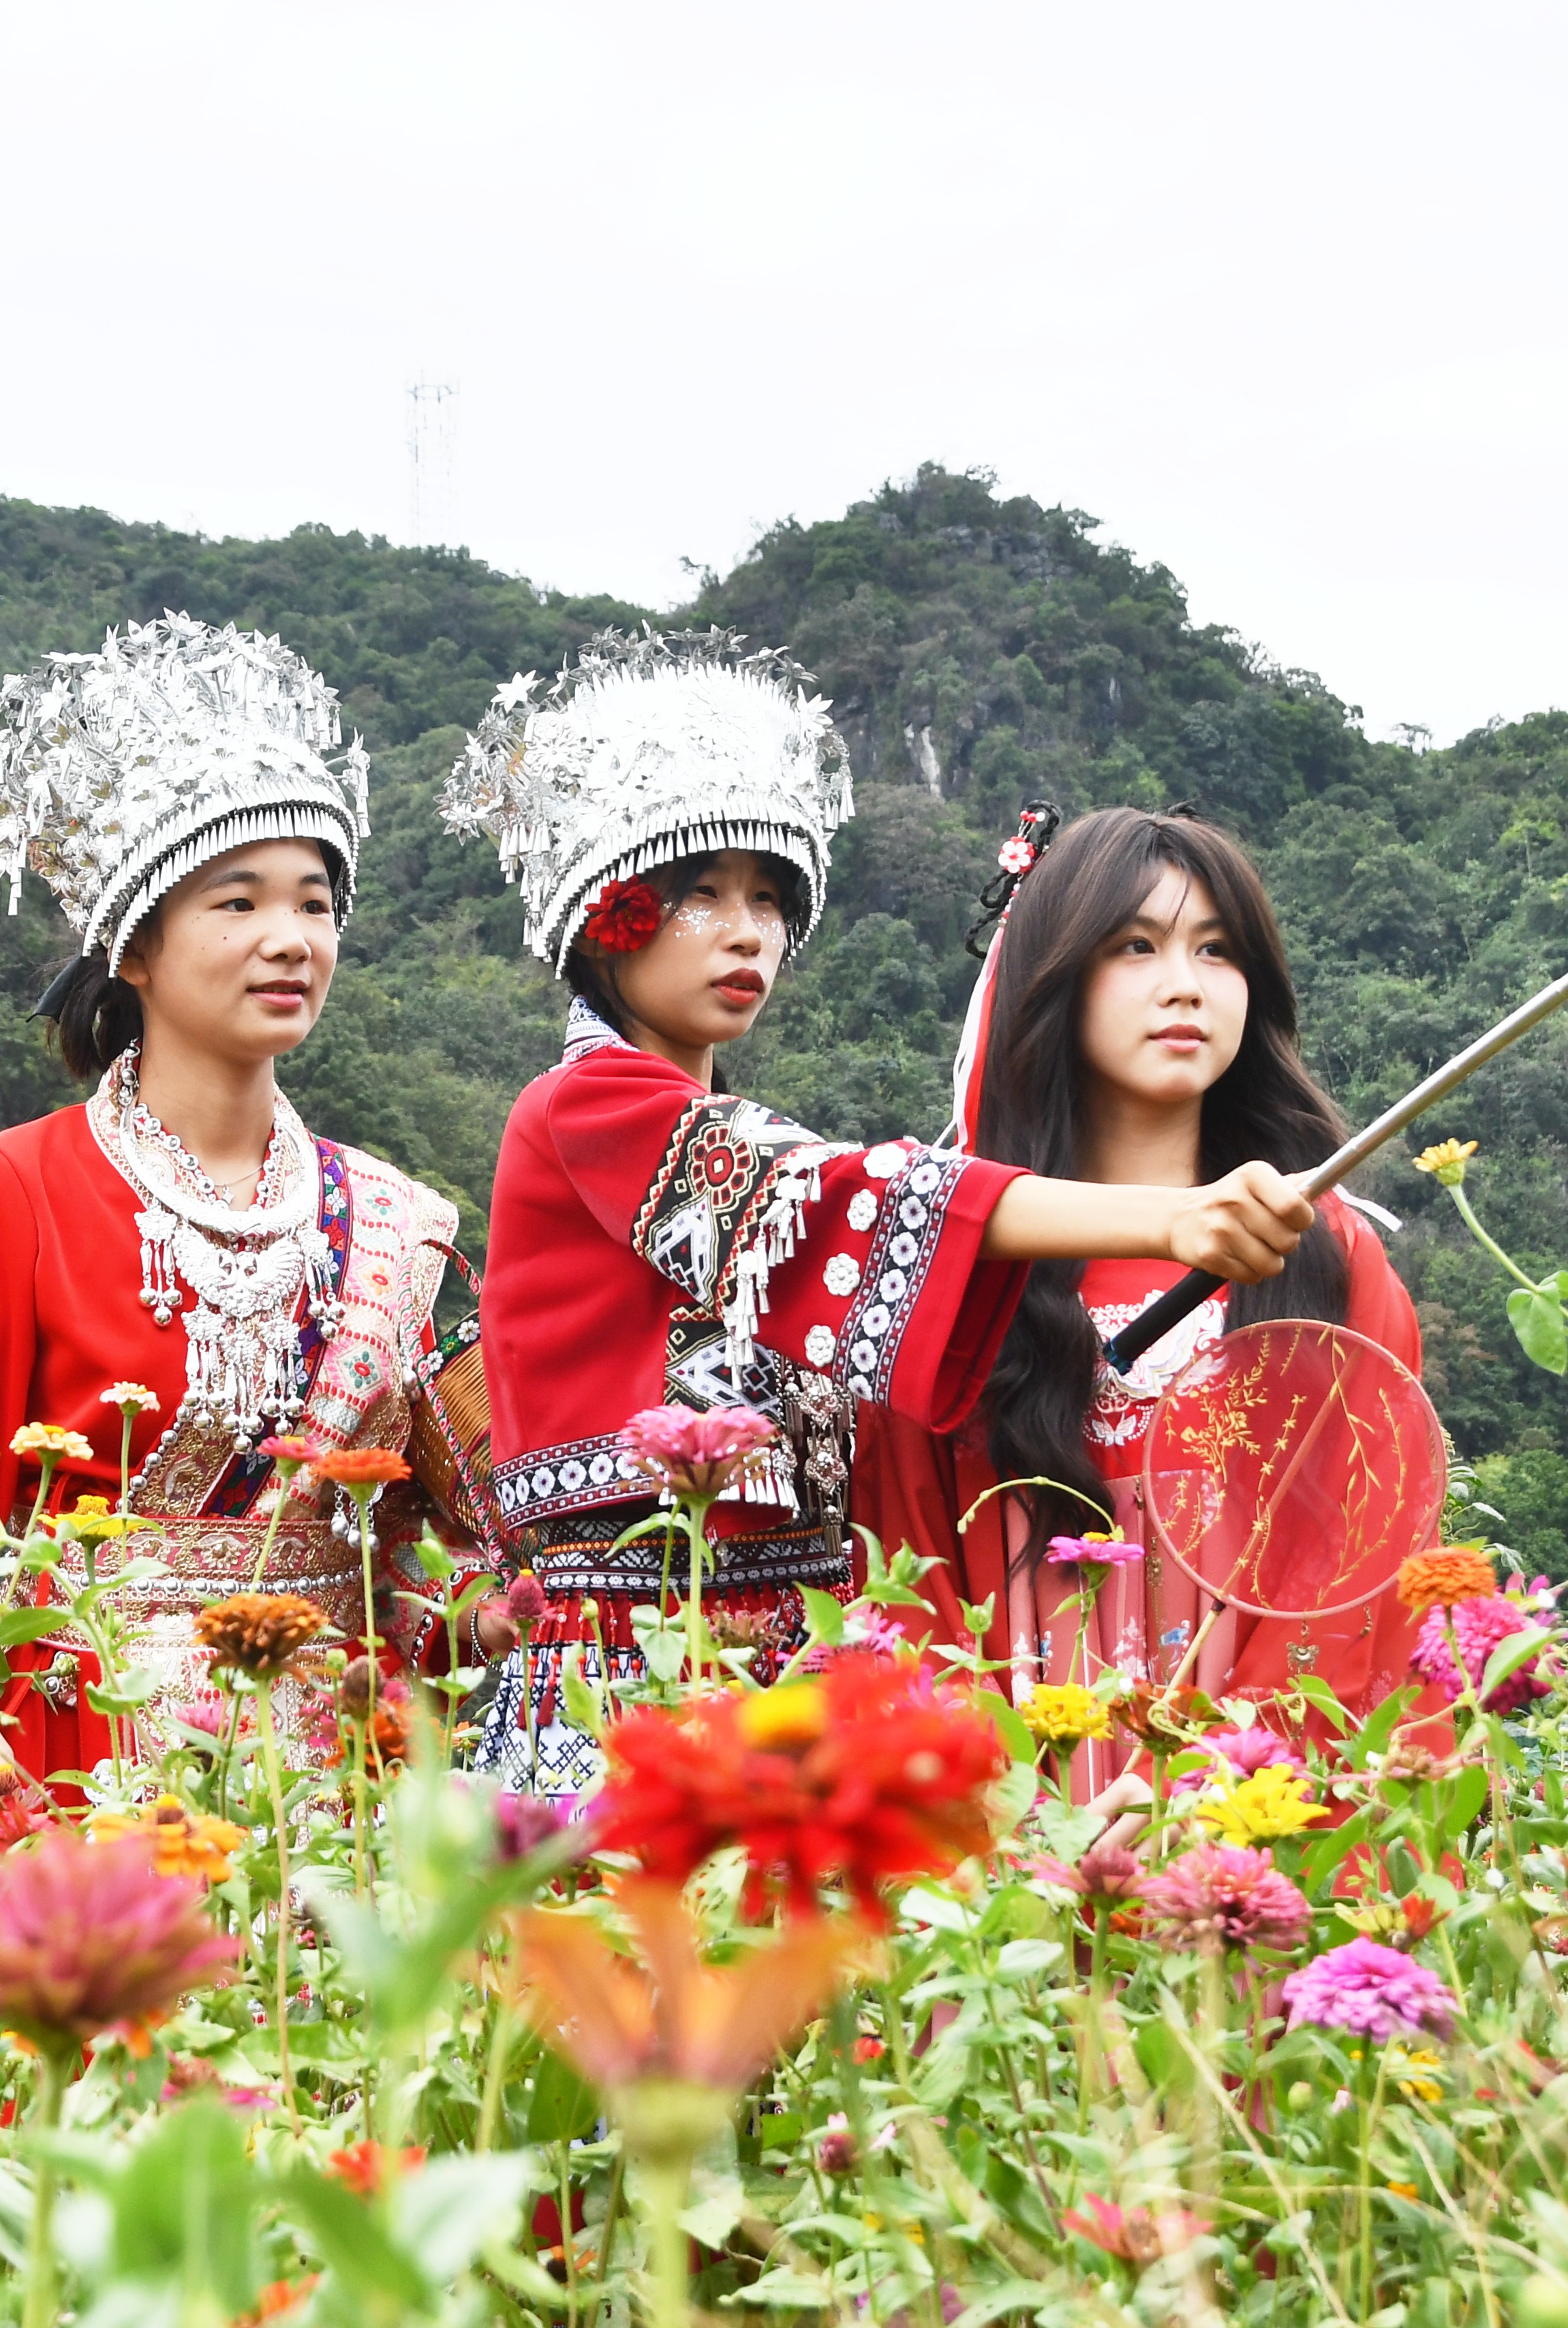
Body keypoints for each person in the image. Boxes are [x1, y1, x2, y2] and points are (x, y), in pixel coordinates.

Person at [437, 631, 1312, 1792]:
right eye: (700, 894)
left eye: (768, 899)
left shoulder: (736, 1130)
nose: (749, 931)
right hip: (632, 1670)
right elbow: (838, 1199)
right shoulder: (586, 1108)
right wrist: (1163, 1223)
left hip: (784, 1668)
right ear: (609, 916)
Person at [0, 616, 456, 1794]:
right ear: (135, 948)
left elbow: (422, 1539)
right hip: (81, 1750)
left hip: (332, 1789)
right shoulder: (15, 1187)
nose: (290, 939)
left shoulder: (392, 1220)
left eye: (315, 904)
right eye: (238, 904)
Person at [857, 801, 1428, 1725]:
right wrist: (1022, 1826)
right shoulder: (946, 1268)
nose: (1186, 986)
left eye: (1217, 949)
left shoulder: (1322, 1249)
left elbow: (1360, 1564)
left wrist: (1226, 1787)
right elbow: (906, 1578)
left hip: (1257, 1801)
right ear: (1053, 981)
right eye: (1135, 947)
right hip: (1012, 1823)